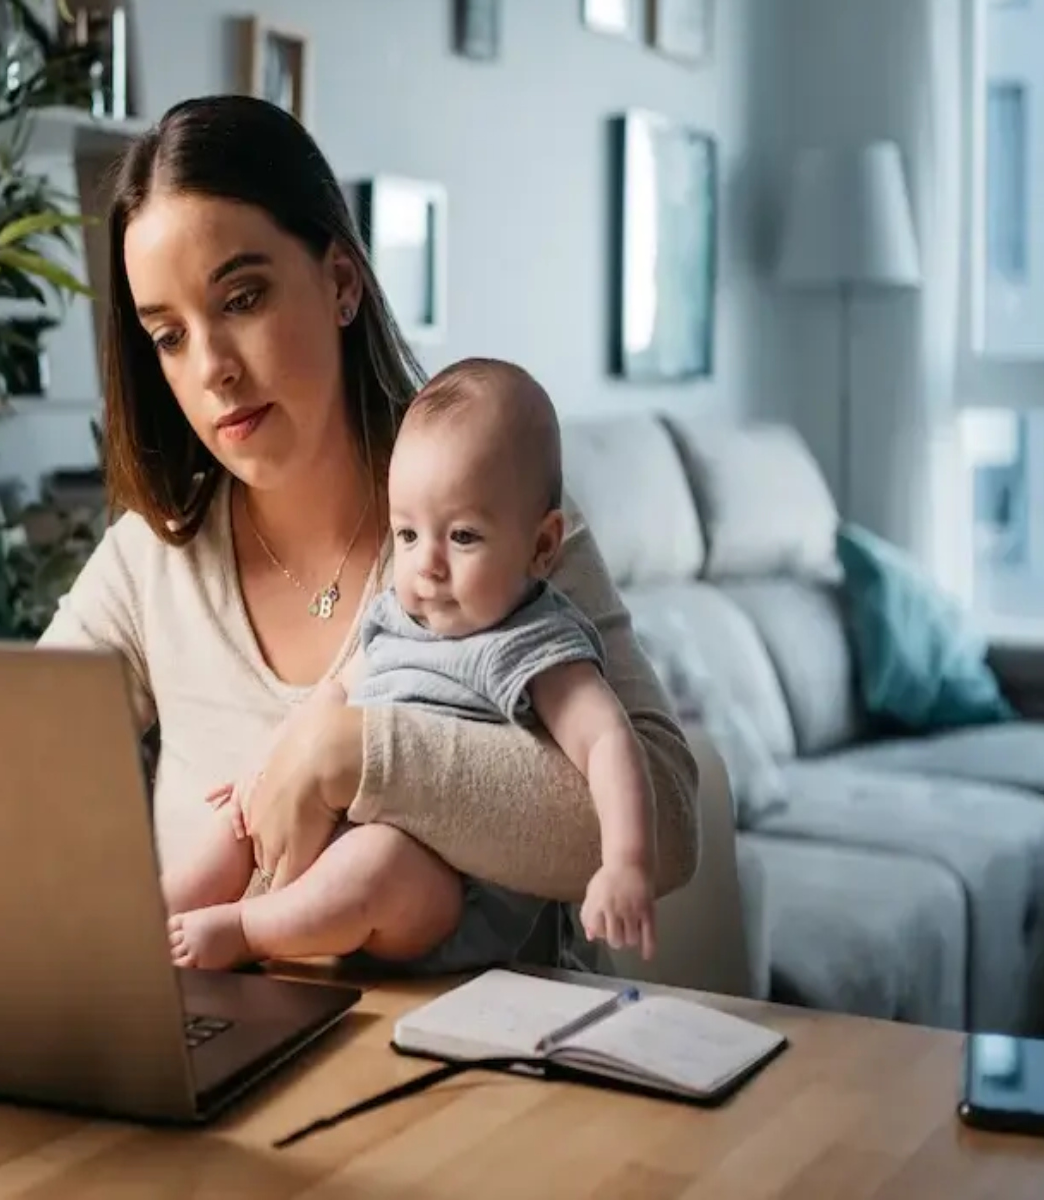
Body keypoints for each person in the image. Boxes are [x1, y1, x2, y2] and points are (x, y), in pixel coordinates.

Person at [37, 93, 700, 976]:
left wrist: (354, 754)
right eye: (168, 335)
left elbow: (670, 818)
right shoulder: (149, 559)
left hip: (484, 1071)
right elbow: (8, 778)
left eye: (242, 297)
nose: (212, 369)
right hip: (225, 1052)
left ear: (342, 282)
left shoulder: (487, 529)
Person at [168, 357, 659, 970]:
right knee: (237, 817)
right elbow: (331, 701)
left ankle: (246, 929)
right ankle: (149, 927)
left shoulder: (535, 642)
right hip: (350, 834)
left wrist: (625, 863)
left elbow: (608, 742)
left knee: (376, 862)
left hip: (448, 896)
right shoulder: (398, 618)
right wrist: (267, 770)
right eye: (406, 535)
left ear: (541, 546)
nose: (427, 565)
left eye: (462, 537)